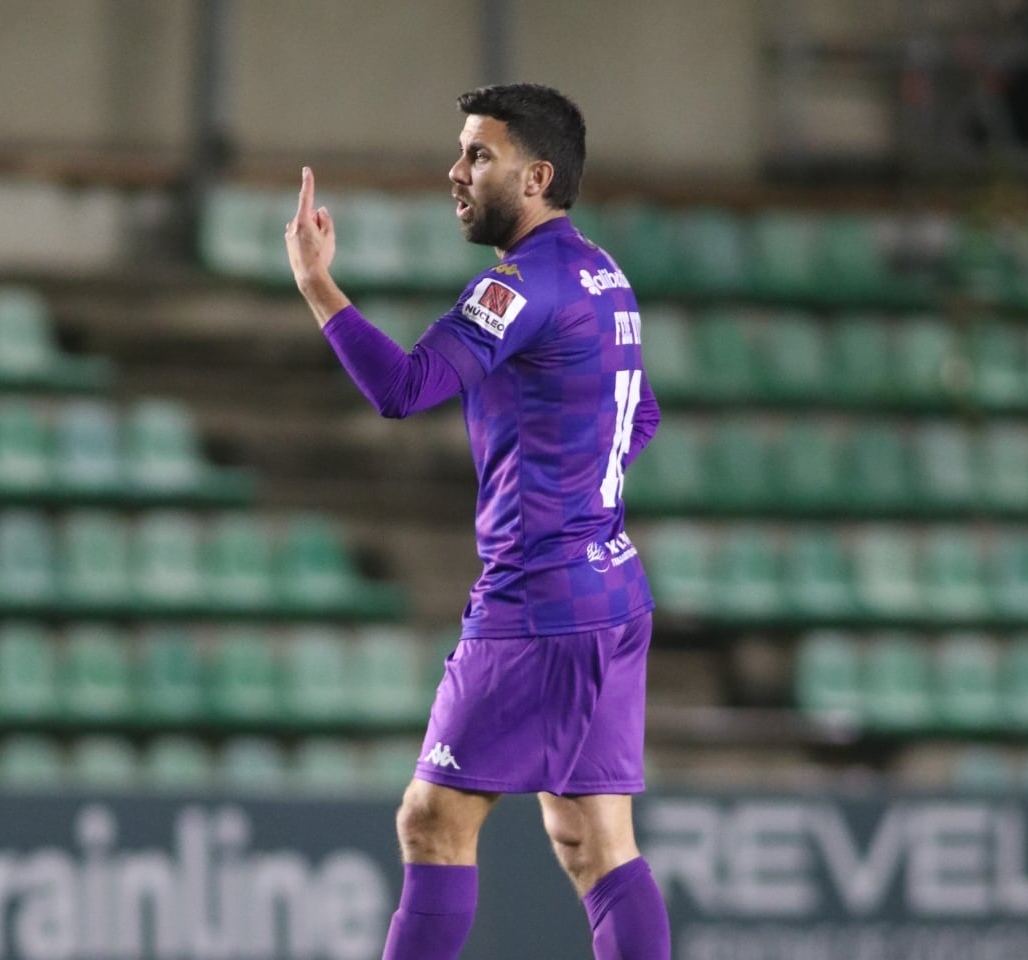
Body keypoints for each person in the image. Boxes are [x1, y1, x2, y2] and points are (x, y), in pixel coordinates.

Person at [285, 83, 669, 960]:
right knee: (594, 844)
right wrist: (577, 501)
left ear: (536, 176)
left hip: (537, 604)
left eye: (477, 156)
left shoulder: (522, 284)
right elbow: (636, 418)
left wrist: (317, 283)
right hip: (611, 589)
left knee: (431, 822)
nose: (455, 172)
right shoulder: (602, 276)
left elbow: (402, 387)